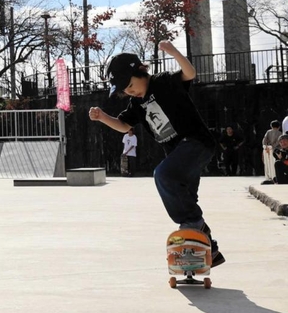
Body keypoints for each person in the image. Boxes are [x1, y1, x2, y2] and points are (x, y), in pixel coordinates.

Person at [89, 43, 224, 267]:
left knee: (163, 175)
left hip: (196, 143)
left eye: (132, 85)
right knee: (185, 196)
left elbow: (189, 73)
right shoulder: (136, 104)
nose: (131, 91)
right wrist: (103, 117)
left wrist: (174, 53)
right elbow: (124, 125)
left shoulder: (163, 82)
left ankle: (194, 225)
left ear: (142, 71)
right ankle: (209, 248)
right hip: (178, 154)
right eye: (126, 91)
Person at [261, 120, 281, 184]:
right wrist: (273, 146)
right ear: (279, 126)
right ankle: (274, 176)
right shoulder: (280, 133)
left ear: (271, 126)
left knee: (267, 163)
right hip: (276, 149)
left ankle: (268, 176)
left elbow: (264, 139)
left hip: (267, 149)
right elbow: (279, 142)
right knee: (274, 163)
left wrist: (265, 146)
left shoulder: (268, 132)